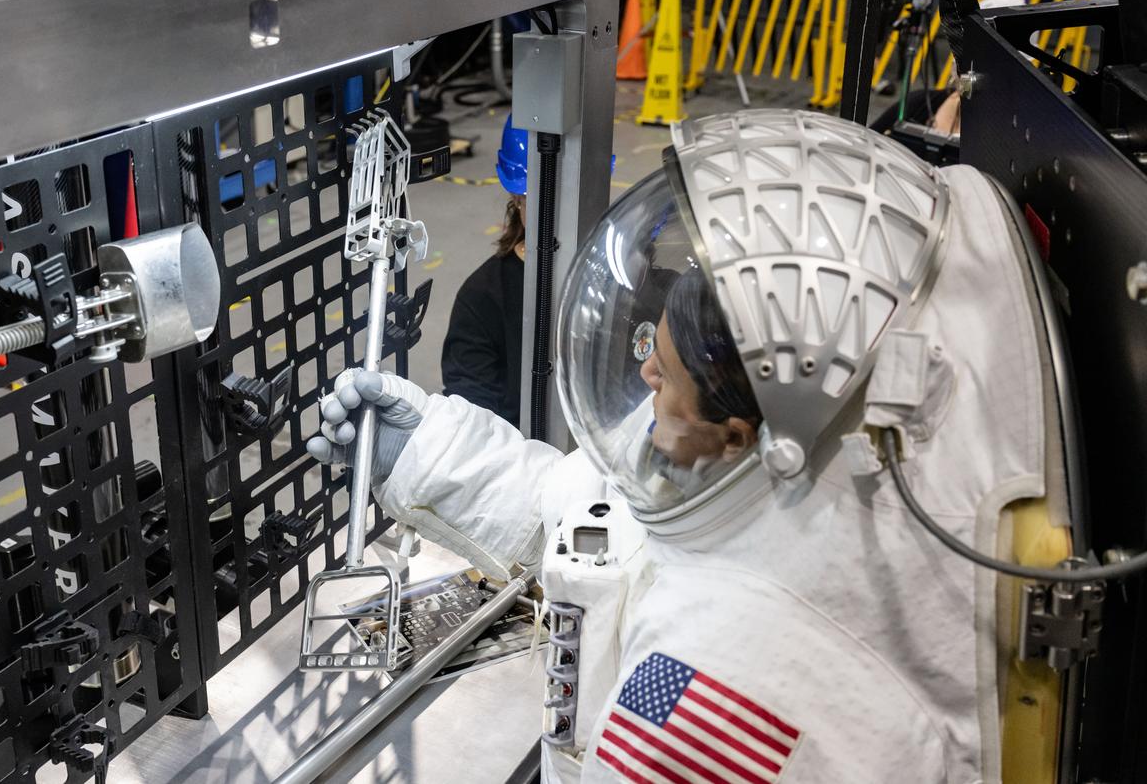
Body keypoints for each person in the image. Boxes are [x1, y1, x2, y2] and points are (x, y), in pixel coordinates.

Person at [310, 109, 1059, 782]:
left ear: (741, 438)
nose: (642, 375)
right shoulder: (768, 455)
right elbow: (590, 509)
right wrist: (424, 450)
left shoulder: (726, 688)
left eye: (661, 374)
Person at [439, 114, 528, 425]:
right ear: (517, 199)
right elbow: (471, 422)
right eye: (541, 199)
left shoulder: (614, 275)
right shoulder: (482, 298)